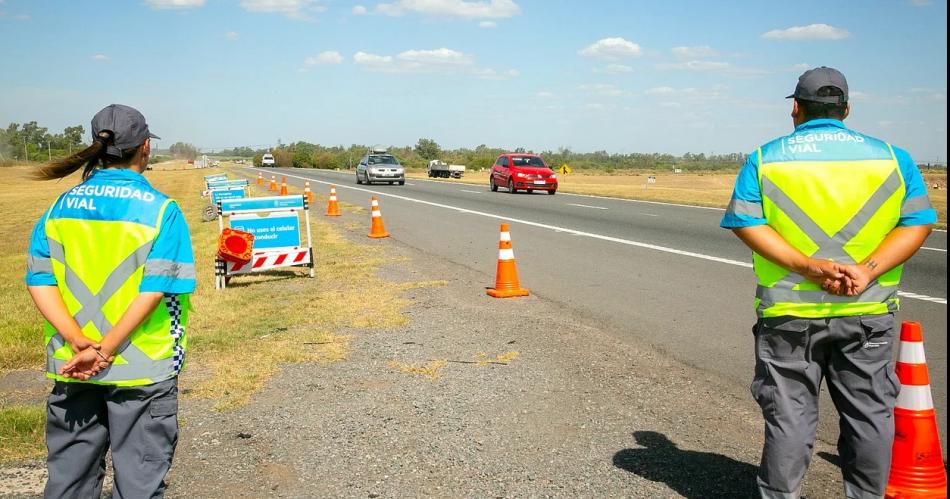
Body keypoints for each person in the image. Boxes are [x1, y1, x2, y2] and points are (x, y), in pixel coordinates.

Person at [720, 67, 936, 498]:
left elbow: (746, 223)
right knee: (870, 416)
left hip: (789, 314)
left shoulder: (766, 158)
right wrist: (868, 269)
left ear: (796, 108)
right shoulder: (894, 157)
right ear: (846, 109)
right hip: (867, 312)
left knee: (790, 418)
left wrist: (806, 266)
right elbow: (918, 223)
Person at [25, 104, 196, 498]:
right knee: (138, 483)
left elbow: (40, 280)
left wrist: (79, 342)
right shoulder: (161, 211)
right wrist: (106, 349)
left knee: (68, 481)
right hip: (142, 370)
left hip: (73, 365)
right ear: (146, 146)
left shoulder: (57, 209)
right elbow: (153, 291)